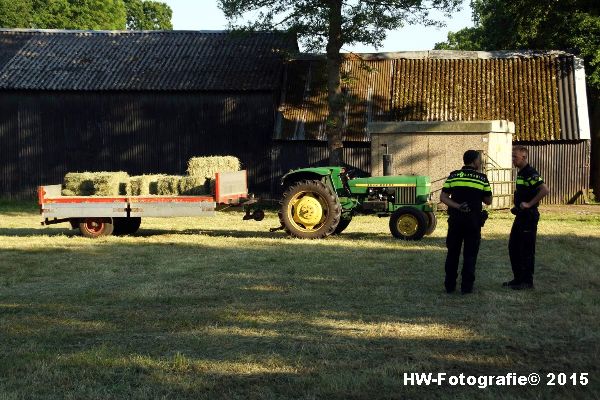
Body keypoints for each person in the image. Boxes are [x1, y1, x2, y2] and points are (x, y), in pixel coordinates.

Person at [440, 150, 493, 294]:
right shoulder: (482, 178)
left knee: (452, 253)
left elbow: (443, 197)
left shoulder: (454, 176)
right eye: (479, 160)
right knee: (470, 255)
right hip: (473, 222)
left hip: (456, 220)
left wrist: (457, 206)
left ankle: (449, 286)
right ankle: (466, 287)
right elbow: (488, 201)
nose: (480, 162)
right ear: (474, 161)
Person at [503, 145, 549, 290]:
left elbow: (545, 189)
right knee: (514, 247)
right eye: (512, 156)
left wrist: (529, 204)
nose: (512, 159)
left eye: (515, 157)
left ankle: (527, 282)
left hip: (529, 217)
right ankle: (518, 279)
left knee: (526, 249)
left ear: (524, 157)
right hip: (521, 216)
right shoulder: (521, 173)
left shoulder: (530, 172)